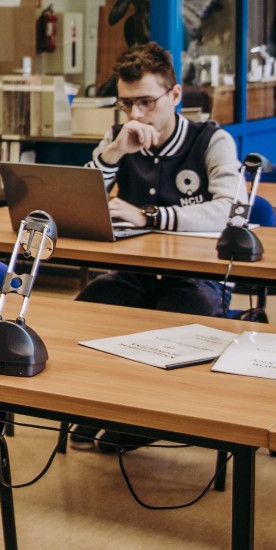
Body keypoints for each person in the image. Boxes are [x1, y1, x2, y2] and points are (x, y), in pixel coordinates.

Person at [72, 41, 240, 452]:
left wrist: (150, 216)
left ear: (175, 95)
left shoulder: (211, 140)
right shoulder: (118, 137)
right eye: (126, 103)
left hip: (197, 278)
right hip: (136, 274)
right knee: (86, 310)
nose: (136, 114)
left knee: (179, 317)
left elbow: (230, 210)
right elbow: (81, 199)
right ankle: (96, 406)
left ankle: (148, 419)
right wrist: (114, 152)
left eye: (146, 102)